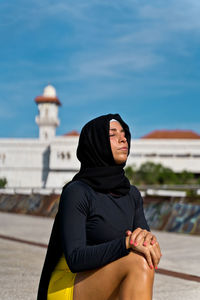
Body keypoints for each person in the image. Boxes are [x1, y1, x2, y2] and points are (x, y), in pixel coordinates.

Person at [37, 113, 162, 300]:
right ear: (96, 144)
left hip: (106, 277)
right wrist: (126, 243)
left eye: (124, 133)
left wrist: (149, 241)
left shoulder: (131, 194)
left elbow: (142, 241)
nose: (123, 139)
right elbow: (75, 258)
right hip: (68, 283)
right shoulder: (77, 192)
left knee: (143, 259)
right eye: (112, 135)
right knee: (138, 263)